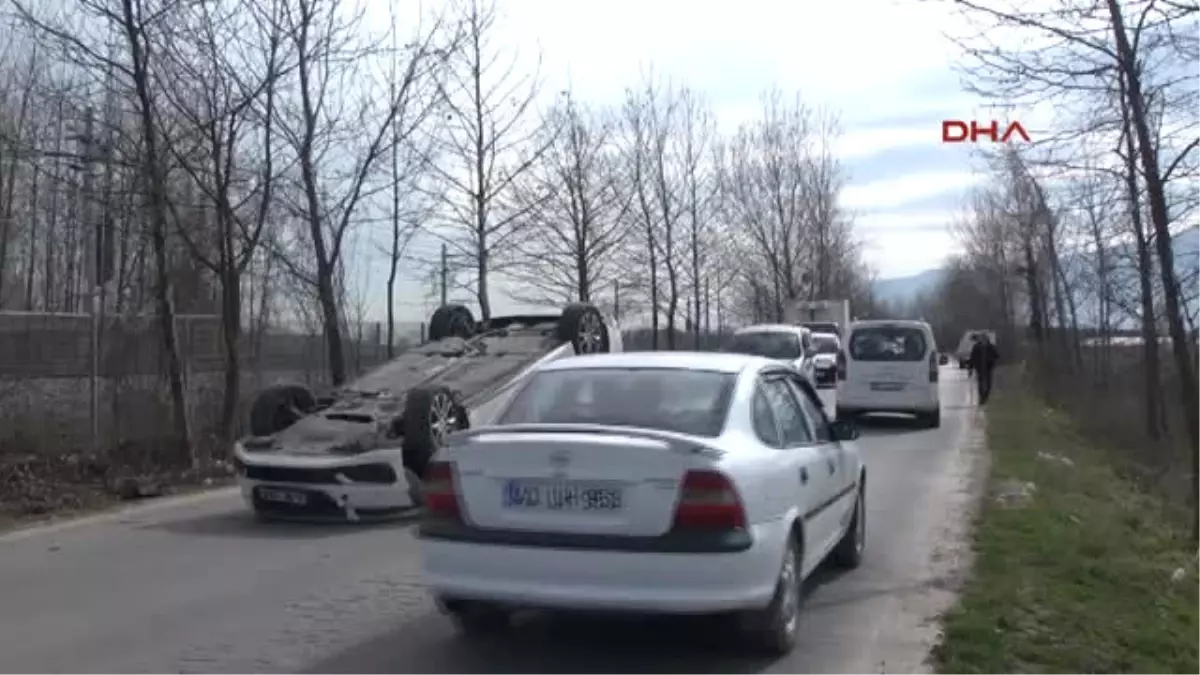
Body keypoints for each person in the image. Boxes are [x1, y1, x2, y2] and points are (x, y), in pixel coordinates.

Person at [968, 333, 1000, 405]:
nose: (983, 340)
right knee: (980, 383)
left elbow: (997, 356)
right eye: (982, 339)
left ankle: (985, 396)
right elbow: (972, 358)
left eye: (984, 339)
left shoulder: (991, 347)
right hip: (979, 368)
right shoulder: (976, 347)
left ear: (987, 339)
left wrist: (992, 360)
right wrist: (970, 369)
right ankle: (981, 396)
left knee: (988, 383)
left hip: (988, 367)